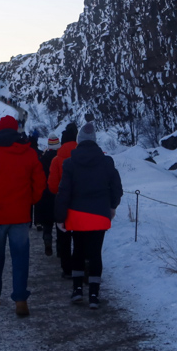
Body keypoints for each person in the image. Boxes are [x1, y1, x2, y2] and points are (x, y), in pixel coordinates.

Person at [0, 115, 46, 317]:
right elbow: (40, 183)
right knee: (20, 258)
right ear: (16, 130)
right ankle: (20, 300)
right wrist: (30, 201)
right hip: (20, 215)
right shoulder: (29, 153)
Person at [55, 122, 123, 309]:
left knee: (77, 250)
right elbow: (117, 188)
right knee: (95, 253)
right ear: (94, 141)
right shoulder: (107, 162)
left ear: (79, 141)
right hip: (99, 215)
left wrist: (60, 217)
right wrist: (111, 206)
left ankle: (77, 290)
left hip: (76, 215)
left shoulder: (69, 163)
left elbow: (64, 192)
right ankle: (94, 294)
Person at [48, 122, 79, 278]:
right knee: (81, 238)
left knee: (64, 237)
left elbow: (53, 186)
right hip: (81, 203)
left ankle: (67, 268)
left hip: (63, 204)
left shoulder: (56, 160)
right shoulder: (82, 156)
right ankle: (81, 265)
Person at [33, 134, 60, 256]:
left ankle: (47, 239)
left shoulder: (42, 159)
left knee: (47, 223)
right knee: (60, 223)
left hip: (45, 195)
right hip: (59, 195)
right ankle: (61, 248)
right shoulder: (61, 158)